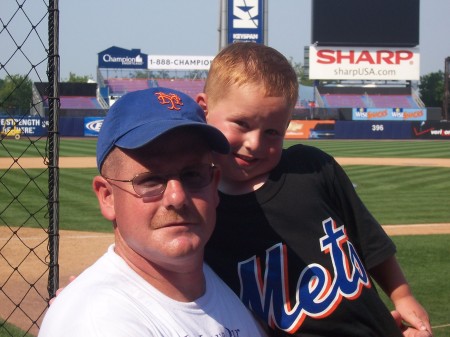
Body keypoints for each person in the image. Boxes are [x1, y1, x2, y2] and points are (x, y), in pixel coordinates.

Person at [195, 42, 433, 337]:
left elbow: (370, 241)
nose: (255, 143)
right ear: (203, 108)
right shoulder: (201, 210)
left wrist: (402, 295)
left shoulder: (312, 168)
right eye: (241, 124)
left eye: (272, 132)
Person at [38, 87, 268, 337]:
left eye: (193, 175)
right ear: (107, 197)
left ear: (214, 186)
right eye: (150, 180)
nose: (177, 197)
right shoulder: (97, 320)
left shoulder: (226, 289)